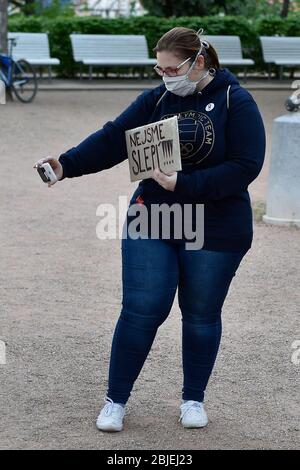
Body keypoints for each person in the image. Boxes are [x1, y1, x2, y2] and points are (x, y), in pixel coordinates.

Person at [33, 26, 266, 432]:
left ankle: (193, 399)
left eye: (172, 68)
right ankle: (115, 401)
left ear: (199, 62)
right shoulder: (157, 98)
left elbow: (246, 166)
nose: (165, 76)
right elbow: (113, 139)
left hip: (217, 224)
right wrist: (65, 165)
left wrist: (185, 183)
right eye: (159, 69)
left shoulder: (236, 100)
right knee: (142, 308)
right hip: (155, 214)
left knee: (200, 314)